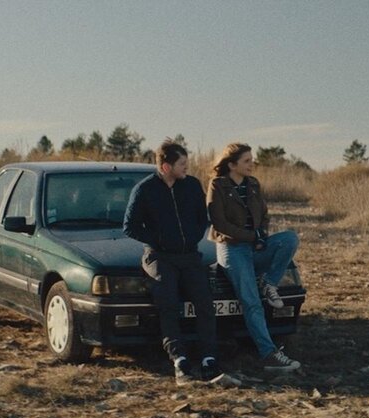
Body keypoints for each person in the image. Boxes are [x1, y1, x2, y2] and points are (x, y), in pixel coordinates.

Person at [123, 140, 221, 385]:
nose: (187, 167)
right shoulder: (144, 190)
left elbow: (202, 218)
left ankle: (209, 358)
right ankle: (180, 360)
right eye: (182, 164)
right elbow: (130, 226)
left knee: (205, 303)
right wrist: (159, 241)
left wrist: (192, 236)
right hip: (159, 257)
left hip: (189, 255)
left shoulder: (192, 186)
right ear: (166, 166)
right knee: (168, 304)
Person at [207, 143, 301, 372]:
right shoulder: (217, 185)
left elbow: (264, 214)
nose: (252, 164)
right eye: (247, 161)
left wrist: (262, 235)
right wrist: (251, 236)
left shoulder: (253, 184)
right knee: (251, 301)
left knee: (289, 239)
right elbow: (219, 222)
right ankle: (268, 353)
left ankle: (269, 283)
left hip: (255, 245)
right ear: (232, 164)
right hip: (231, 248)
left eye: (252, 160)